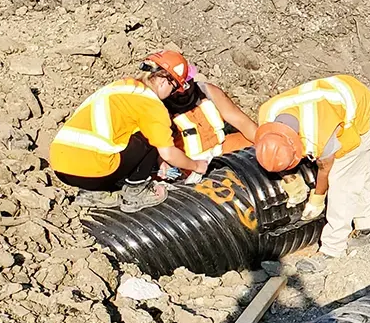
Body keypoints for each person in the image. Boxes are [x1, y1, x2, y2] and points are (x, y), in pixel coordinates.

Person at [252, 74, 370, 271]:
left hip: (366, 112)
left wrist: (318, 197)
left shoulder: (317, 134)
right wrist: (288, 177)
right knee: (359, 171)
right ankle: (368, 230)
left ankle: (333, 249)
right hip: (340, 95)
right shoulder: (267, 114)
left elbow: (326, 167)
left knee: (343, 180)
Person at [49, 55, 211, 213]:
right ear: (163, 81)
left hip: (61, 167)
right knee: (151, 136)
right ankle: (137, 192)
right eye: (175, 88)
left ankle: (94, 193)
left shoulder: (119, 87)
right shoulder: (151, 104)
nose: (173, 94)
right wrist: (196, 165)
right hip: (94, 170)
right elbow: (167, 152)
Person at [145, 49, 259, 171]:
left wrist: (264, 142)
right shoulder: (159, 108)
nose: (184, 91)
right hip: (188, 164)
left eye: (187, 83)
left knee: (254, 145)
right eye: (178, 88)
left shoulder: (208, 92)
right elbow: (161, 151)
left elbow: (242, 122)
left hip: (221, 150)